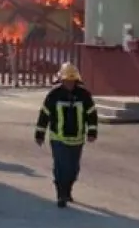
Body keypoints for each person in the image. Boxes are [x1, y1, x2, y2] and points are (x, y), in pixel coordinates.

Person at [34, 62, 98, 208]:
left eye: (71, 81)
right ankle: (61, 194)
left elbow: (91, 114)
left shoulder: (84, 95)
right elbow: (44, 114)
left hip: (77, 139)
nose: (69, 83)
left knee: (74, 169)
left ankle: (68, 190)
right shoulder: (54, 95)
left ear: (76, 80)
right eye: (66, 81)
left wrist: (92, 132)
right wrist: (39, 134)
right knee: (61, 167)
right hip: (58, 139)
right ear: (61, 80)